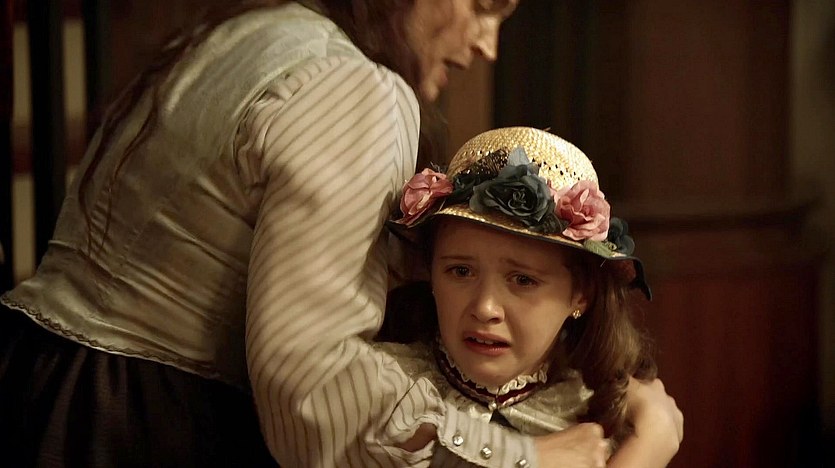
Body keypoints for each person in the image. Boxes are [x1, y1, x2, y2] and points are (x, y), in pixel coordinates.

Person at [0, 0, 654, 467]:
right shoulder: (352, 88)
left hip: (41, 381)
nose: (488, 45)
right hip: (140, 426)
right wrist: (520, 456)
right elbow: (310, 387)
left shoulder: (262, 30)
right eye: (483, 6)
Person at [376, 126, 683, 466]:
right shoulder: (382, 391)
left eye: (523, 280)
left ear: (581, 295)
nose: (485, 308)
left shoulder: (602, 418)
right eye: (461, 272)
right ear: (431, 272)